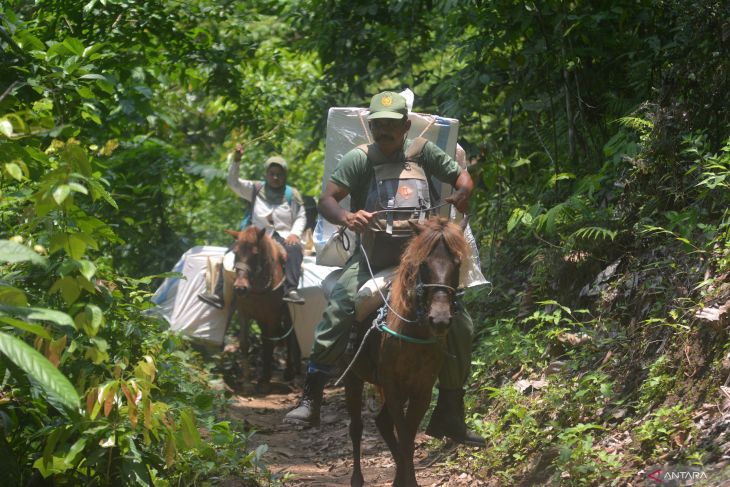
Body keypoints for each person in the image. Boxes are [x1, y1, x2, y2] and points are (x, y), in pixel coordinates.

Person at [283, 91, 485, 446]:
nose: (384, 132)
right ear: (371, 126)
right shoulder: (358, 159)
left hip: (421, 258)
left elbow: (462, 178)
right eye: (378, 125)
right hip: (372, 256)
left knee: (460, 323)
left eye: (391, 126)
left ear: (405, 126)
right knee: (341, 305)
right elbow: (327, 199)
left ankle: (451, 410)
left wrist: (462, 191)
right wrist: (347, 215)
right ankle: (312, 394)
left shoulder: (423, 152)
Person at [198, 144, 307, 307]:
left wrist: (294, 234)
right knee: (230, 254)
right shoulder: (256, 188)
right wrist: (236, 161)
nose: (275, 178)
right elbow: (233, 183)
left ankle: (290, 290)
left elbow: (301, 216)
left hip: (283, 235)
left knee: (295, 250)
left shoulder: (292, 194)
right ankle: (219, 294)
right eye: (272, 174)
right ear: (266, 174)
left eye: (279, 174)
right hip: (255, 236)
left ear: (285, 175)